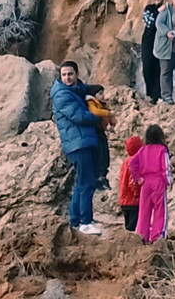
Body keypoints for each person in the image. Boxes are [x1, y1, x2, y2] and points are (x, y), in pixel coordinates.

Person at [51, 61, 104, 236]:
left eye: (70, 74)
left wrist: (97, 90)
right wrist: (101, 116)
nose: (67, 78)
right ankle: (85, 222)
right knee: (87, 183)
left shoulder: (75, 88)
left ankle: (74, 222)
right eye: (64, 75)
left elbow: (84, 88)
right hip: (77, 143)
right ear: (60, 76)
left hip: (81, 141)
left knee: (82, 182)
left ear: (76, 74)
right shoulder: (61, 95)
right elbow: (80, 117)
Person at [129, 124, 173, 244]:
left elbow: (132, 163)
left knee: (144, 211)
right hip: (158, 181)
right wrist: (169, 180)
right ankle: (157, 237)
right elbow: (166, 166)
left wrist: (137, 177)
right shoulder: (162, 149)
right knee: (160, 210)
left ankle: (141, 236)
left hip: (145, 182)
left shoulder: (142, 150)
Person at [86, 87, 115, 191]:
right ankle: (98, 179)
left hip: (101, 132)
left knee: (105, 154)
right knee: (100, 154)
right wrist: (108, 113)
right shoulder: (91, 102)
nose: (103, 96)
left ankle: (103, 176)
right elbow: (95, 112)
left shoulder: (103, 105)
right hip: (96, 132)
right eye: (100, 93)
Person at [141, 0, 165, 102]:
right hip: (148, 42)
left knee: (158, 68)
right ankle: (149, 93)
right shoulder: (149, 8)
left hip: (161, 42)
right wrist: (159, 11)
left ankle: (157, 96)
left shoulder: (166, 9)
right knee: (147, 67)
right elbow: (149, 22)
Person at [118, 135, 144, 231]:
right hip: (133, 201)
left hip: (124, 200)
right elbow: (133, 181)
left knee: (128, 225)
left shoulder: (125, 162)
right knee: (133, 227)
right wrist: (137, 195)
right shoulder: (136, 162)